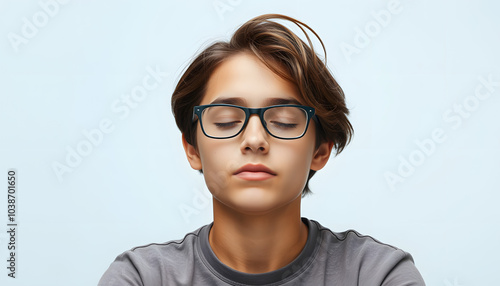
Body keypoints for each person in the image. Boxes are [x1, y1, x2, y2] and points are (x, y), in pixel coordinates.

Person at [98, 14, 426, 285]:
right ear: (192, 148)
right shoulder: (141, 278)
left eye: (284, 121)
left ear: (320, 150)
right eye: (226, 120)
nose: (254, 139)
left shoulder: (376, 275)